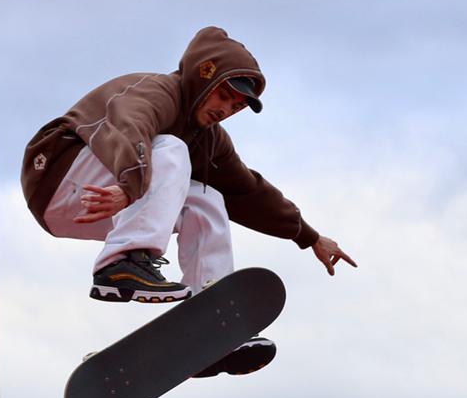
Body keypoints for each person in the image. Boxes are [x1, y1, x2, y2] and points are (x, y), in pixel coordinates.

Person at [21, 26, 356, 377]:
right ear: (203, 76)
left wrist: (309, 237)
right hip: (59, 174)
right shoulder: (159, 91)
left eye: (236, 106)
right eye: (223, 96)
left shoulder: (210, 141)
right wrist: (131, 183)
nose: (225, 110)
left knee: (208, 197)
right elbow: (127, 124)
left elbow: (249, 192)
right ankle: (122, 263)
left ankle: (211, 319)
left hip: (96, 204)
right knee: (171, 149)